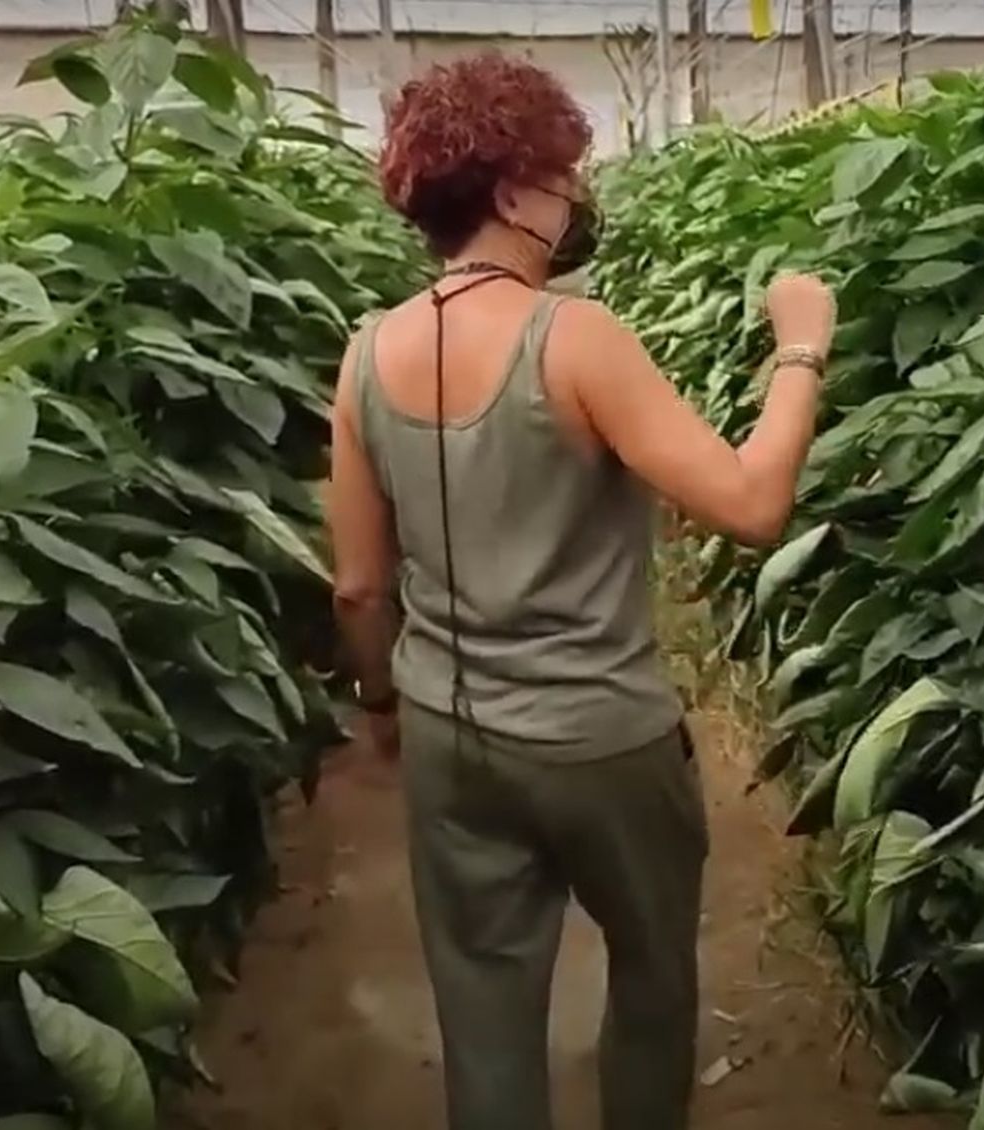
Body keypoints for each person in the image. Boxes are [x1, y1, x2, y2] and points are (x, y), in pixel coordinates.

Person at [327, 52, 835, 1130]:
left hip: (450, 733)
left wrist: (382, 706)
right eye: (563, 178)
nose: (573, 202)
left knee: (484, 1002)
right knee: (651, 974)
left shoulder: (367, 353)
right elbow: (747, 505)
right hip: (600, 736)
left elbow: (360, 586)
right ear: (512, 191)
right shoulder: (575, 338)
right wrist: (799, 349)